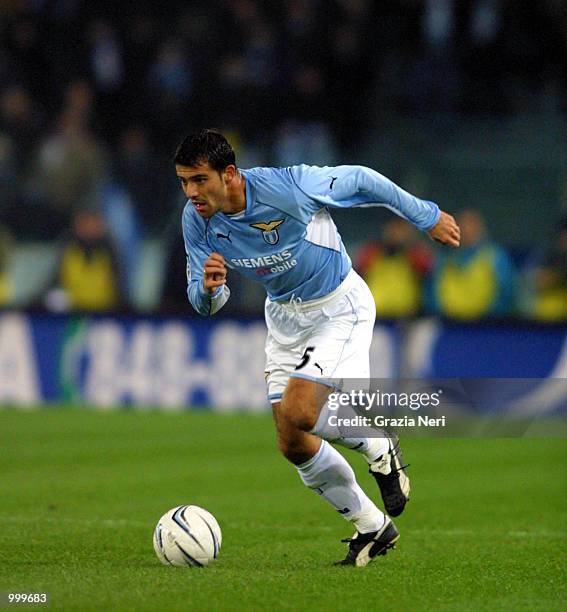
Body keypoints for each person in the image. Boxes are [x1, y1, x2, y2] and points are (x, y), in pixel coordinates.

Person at [177, 129, 460, 566]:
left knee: (300, 411)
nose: (191, 192)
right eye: (184, 181)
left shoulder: (288, 186)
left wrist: (427, 217)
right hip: (285, 318)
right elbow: (204, 300)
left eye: (199, 180)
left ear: (229, 173)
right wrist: (211, 290)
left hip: (337, 307)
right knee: (292, 441)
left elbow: (363, 180)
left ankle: (378, 443)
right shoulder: (196, 220)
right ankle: (372, 527)